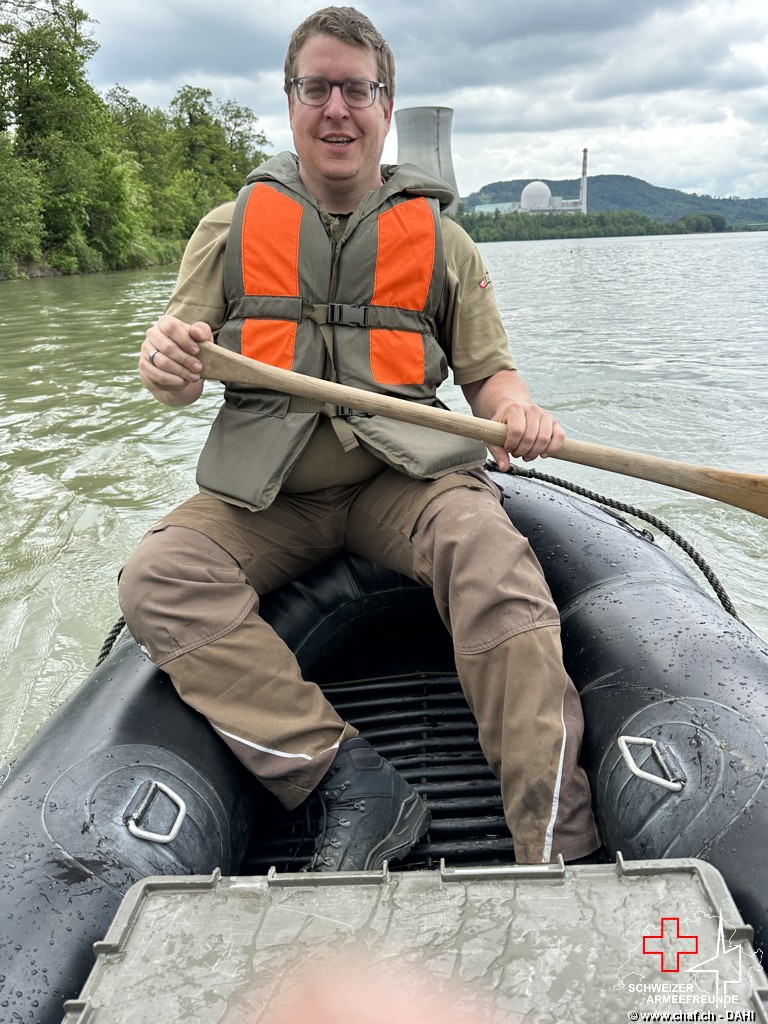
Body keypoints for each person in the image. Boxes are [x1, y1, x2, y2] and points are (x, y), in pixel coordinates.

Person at [118, 5, 600, 869]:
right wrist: (166, 366)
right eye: (317, 88)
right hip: (271, 495)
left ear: (386, 104)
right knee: (158, 577)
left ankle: (555, 847)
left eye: (356, 89)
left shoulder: (443, 243)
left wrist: (519, 409)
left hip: (406, 484)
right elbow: (174, 364)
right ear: (291, 100)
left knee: (492, 555)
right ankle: (345, 776)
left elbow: (491, 377)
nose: (336, 108)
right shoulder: (226, 232)